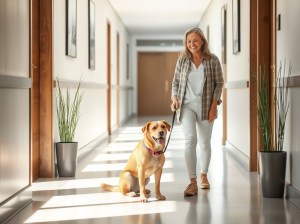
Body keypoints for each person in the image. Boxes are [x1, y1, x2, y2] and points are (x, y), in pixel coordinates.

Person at [170, 27, 224, 196]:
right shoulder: (182, 60)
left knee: (204, 143)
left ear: (202, 42)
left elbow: (219, 83)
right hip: (186, 106)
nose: (191, 44)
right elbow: (175, 83)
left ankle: (204, 176)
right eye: (188, 41)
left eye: (195, 40)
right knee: (190, 139)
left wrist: (214, 106)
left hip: (206, 105)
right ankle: (192, 181)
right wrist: (174, 99)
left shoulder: (212, 60)